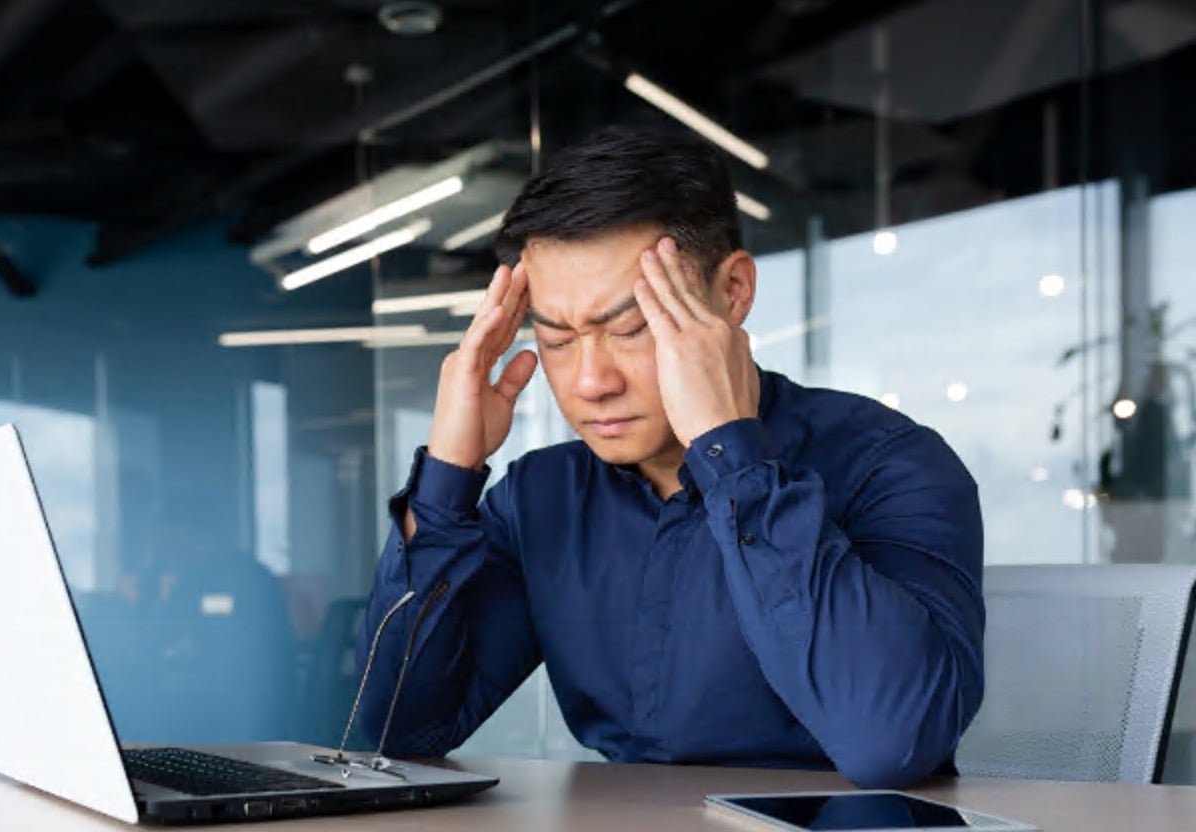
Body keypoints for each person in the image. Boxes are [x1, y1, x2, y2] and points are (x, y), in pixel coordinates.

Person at [353, 126, 985, 789]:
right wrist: (449, 476)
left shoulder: (889, 464)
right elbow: (406, 727)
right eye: (558, 338)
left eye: (632, 328)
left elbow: (895, 745)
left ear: (733, 291)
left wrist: (732, 453)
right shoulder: (543, 497)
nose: (591, 380)